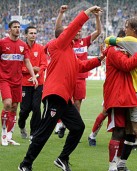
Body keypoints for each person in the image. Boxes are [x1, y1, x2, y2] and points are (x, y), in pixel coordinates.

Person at [18, 6, 103, 171]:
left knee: (78, 127)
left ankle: (62, 159)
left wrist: (100, 58)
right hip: (55, 95)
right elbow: (73, 27)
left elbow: (81, 66)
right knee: (43, 132)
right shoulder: (59, 45)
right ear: (62, 35)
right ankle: (25, 164)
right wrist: (88, 11)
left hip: (64, 98)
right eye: (66, 32)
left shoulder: (69, 51)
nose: (73, 34)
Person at [103, 18, 137, 171]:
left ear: (133, 29)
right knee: (129, 130)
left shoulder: (128, 41)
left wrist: (114, 40)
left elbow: (108, 39)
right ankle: (121, 164)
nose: (124, 29)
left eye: (126, 27)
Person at [55, 5, 102, 138]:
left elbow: (98, 32)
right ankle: (61, 123)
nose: (80, 33)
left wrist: (97, 17)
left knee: (77, 103)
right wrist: (60, 14)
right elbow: (58, 30)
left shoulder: (84, 42)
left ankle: (72, 127)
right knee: (64, 101)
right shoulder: (66, 43)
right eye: (78, 31)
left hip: (81, 77)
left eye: (81, 31)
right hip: (67, 77)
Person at [0, 20, 38, 146]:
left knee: (15, 107)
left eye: (19, 27)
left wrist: (34, 76)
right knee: (7, 104)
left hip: (17, 81)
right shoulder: (2, 43)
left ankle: (10, 136)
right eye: (15, 27)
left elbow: (27, 62)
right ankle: (4, 133)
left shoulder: (23, 45)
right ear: (9, 29)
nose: (17, 29)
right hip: (4, 79)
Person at [88, 28, 126, 147]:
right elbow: (103, 57)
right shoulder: (112, 49)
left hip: (125, 87)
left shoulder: (130, 49)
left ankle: (126, 140)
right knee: (105, 112)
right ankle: (92, 135)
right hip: (113, 86)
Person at [18, 26, 47, 139]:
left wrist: (37, 74)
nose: (33, 35)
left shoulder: (40, 48)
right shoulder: (21, 49)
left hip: (38, 83)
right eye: (31, 33)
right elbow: (19, 67)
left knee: (36, 107)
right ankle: (21, 125)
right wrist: (30, 70)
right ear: (26, 35)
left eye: (35, 33)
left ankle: (34, 133)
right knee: (25, 109)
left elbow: (44, 64)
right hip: (25, 83)